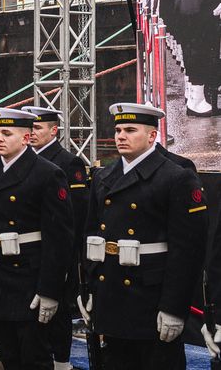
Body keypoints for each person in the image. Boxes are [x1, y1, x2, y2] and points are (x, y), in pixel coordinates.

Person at [83, 102, 208, 370]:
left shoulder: (176, 177)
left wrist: (174, 308)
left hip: (151, 299)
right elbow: (92, 235)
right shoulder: (104, 177)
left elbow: (187, 252)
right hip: (113, 294)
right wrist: (93, 285)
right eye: (117, 130)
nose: (120, 136)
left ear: (152, 135)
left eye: (130, 129)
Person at [0, 109, 73, 370]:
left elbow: (58, 238)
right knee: (9, 355)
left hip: (28, 278)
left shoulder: (47, 174)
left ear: (26, 138)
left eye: (7, 133)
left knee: (34, 357)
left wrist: (50, 290)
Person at [21, 105, 89, 370]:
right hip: (32, 254)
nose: (33, 133)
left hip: (60, 252)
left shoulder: (68, 163)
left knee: (57, 313)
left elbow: (77, 215)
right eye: (31, 128)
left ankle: (62, 361)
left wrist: (70, 260)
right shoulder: (24, 162)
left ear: (54, 131)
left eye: (38, 128)